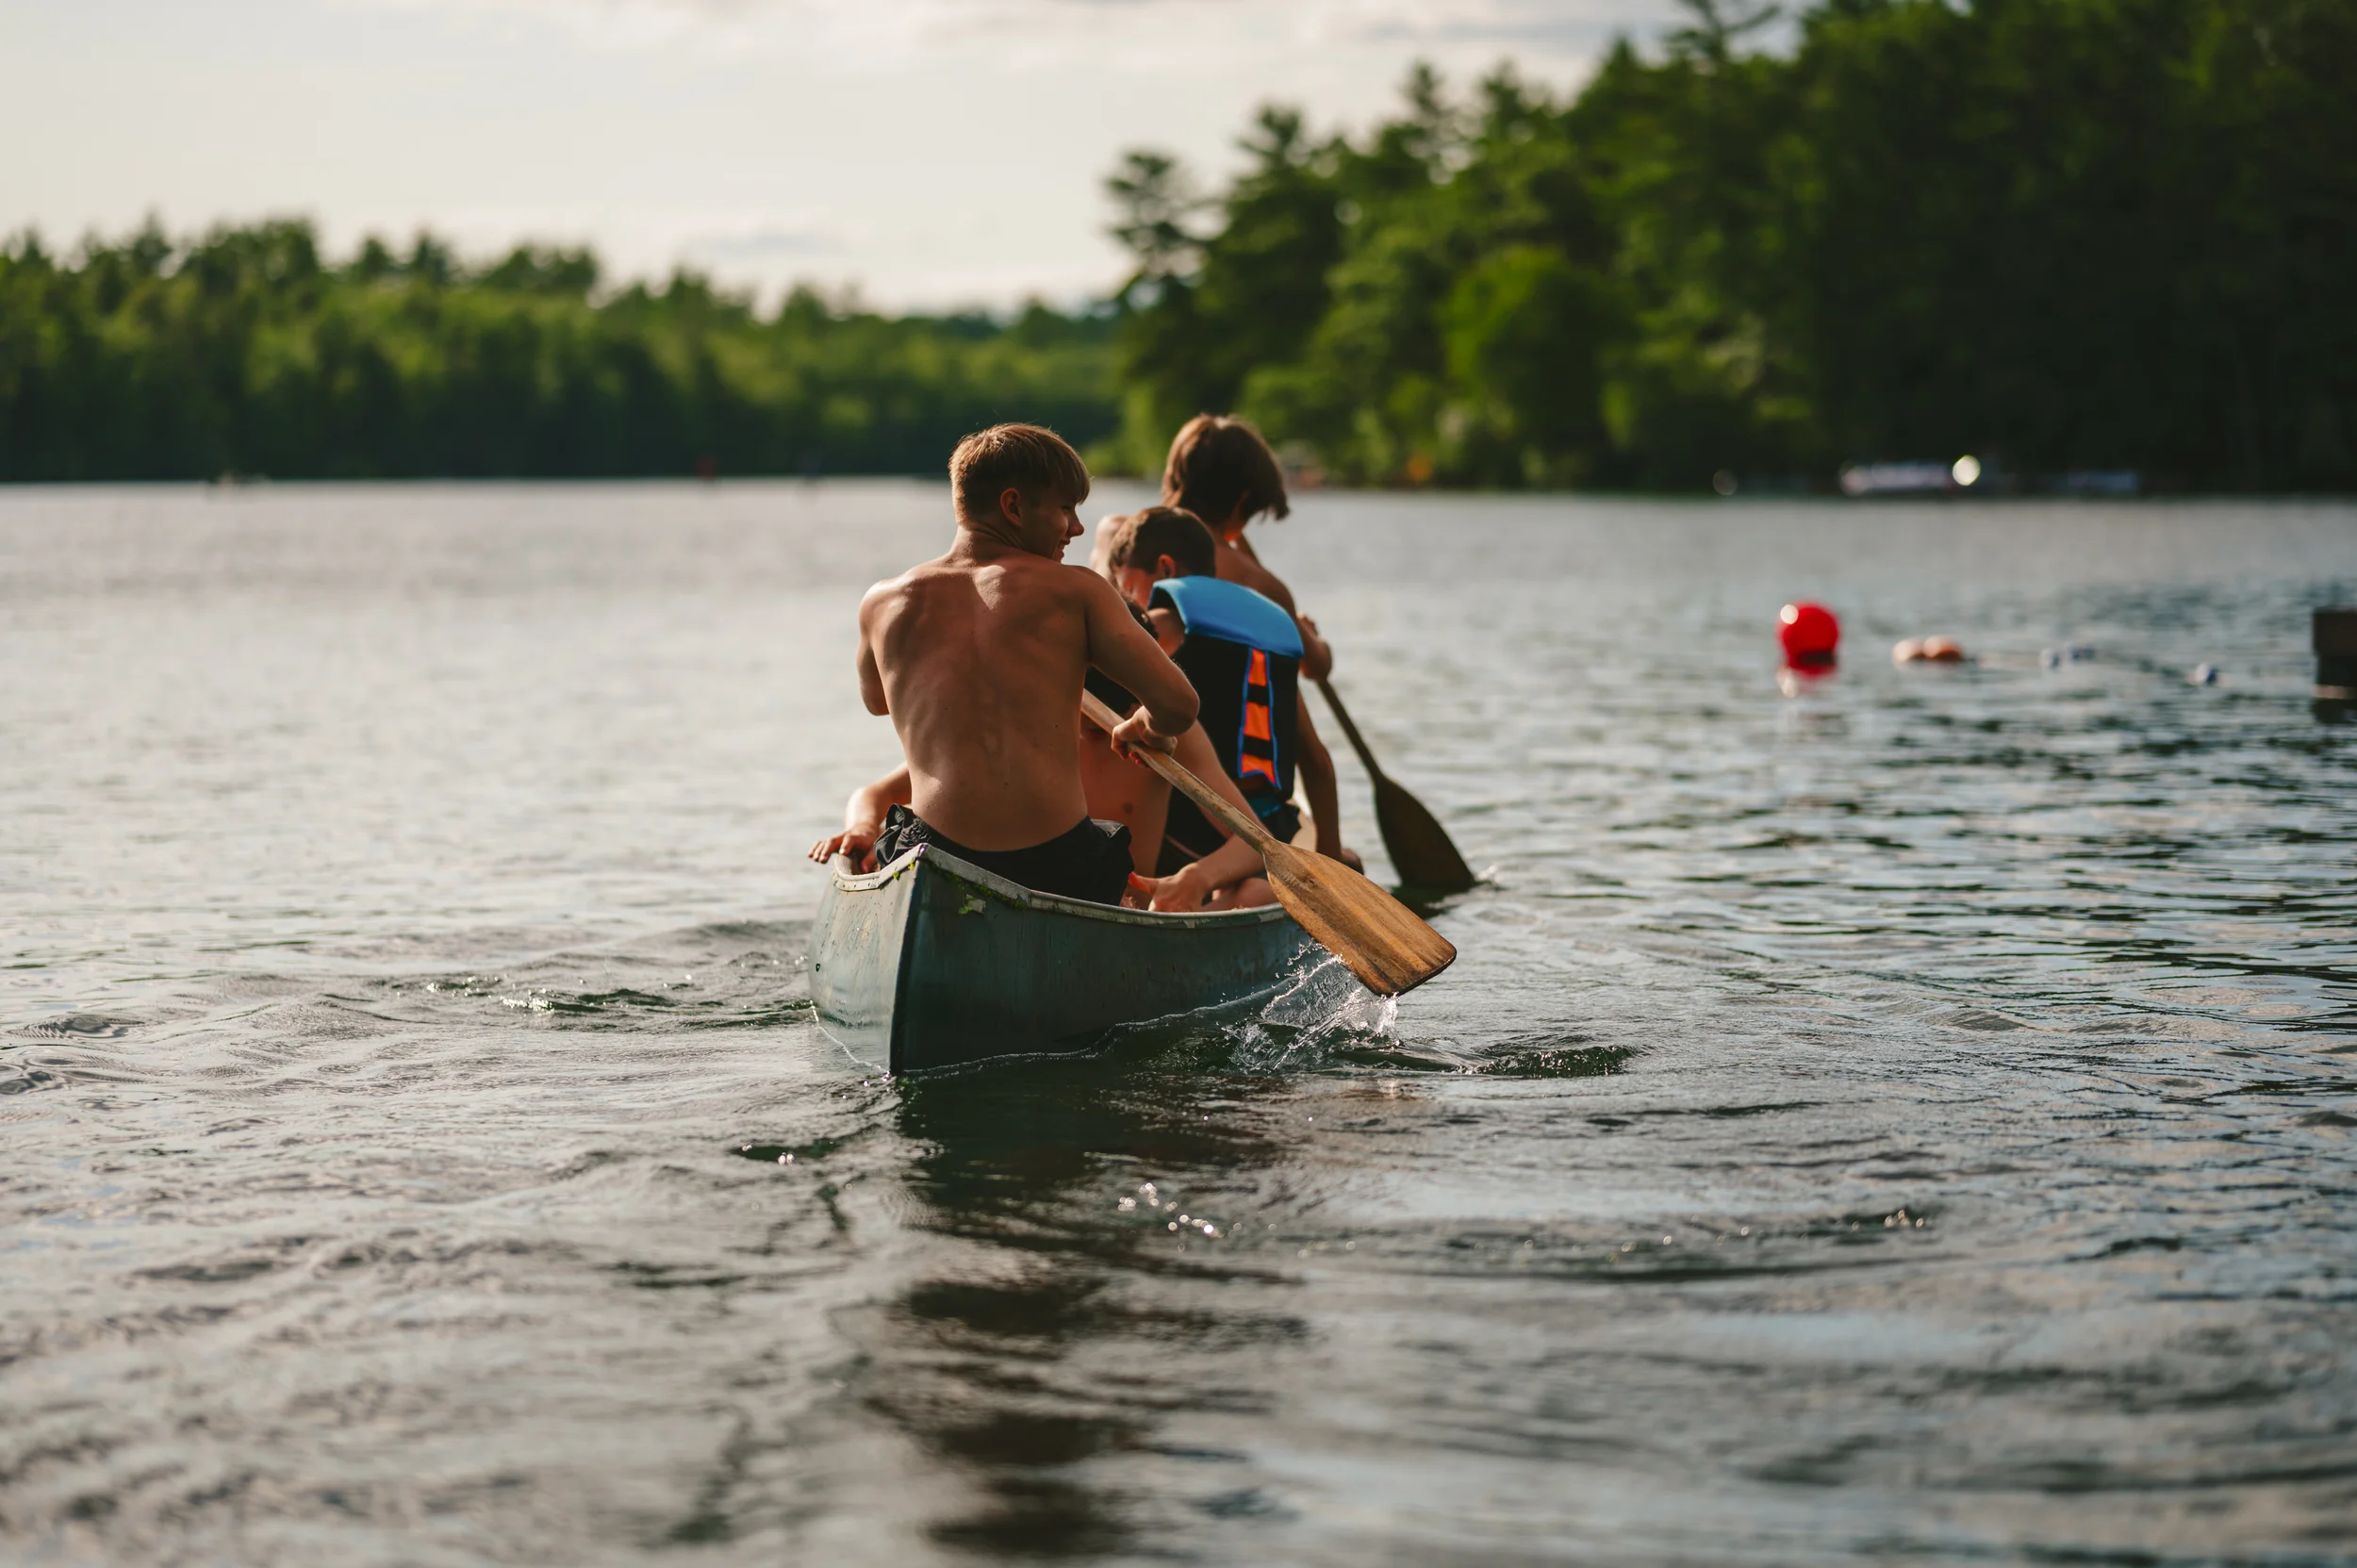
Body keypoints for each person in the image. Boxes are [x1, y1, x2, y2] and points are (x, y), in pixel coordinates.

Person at [809, 423, 1197, 906]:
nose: (1076, 528)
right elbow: (1179, 705)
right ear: (1013, 506)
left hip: (934, 853)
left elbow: (876, 703)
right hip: (1060, 862)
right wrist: (1149, 726)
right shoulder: (1076, 590)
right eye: (1064, 509)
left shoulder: (882, 602)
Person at [1156, 414, 1350, 863]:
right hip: (1229, 776)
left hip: (1152, 774)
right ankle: (1336, 863)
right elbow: (1315, 665)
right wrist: (1310, 633)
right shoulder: (1259, 584)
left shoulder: (1131, 546)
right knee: (1315, 758)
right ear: (1243, 501)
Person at [1101, 504, 1311, 906]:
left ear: (1164, 568)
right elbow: (1316, 761)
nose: (1127, 604)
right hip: (1276, 819)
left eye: (1127, 586)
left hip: (1205, 821)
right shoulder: (1265, 621)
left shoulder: (1159, 626)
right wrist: (1332, 855)